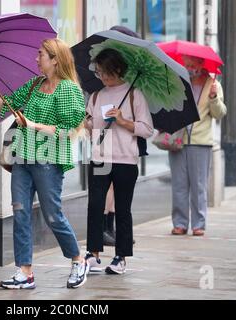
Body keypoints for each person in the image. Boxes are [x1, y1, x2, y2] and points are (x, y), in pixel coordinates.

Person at [0, 38, 88, 289]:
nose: (36, 59)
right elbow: (5, 108)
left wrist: (33, 125)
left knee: (53, 215)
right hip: (23, 158)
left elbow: (70, 129)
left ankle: (78, 260)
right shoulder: (35, 84)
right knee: (21, 212)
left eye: (40, 54)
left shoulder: (68, 89)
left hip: (49, 159)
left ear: (55, 60)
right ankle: (25, 271)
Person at [84, 47, 154, 274]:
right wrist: (86, 123)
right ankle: (93, 254)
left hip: (125, 160)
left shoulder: (135, 95)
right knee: (95, 206)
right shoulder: (95, 96)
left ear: (118, 69)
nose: (103, 77)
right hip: (100, 158)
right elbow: (90, 127)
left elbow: (147, 130)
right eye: (99, 72)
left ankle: (120, 257)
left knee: (123, 209)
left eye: (106, 72)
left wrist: (123, 121)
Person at [169, 55, 227, 237]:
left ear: (201, 64)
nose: (189, 68)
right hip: (178, 140)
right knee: (179, 185)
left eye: (192, 65)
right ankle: (179, 223)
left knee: (198, 185)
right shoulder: (178, 82)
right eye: (186, 64)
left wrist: (214, 98)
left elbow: (219, 114)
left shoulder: (213, 84)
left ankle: (198, 224)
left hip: (200, 142)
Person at [100, 26, 143, 247]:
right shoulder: (105, 65)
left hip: (125, 138)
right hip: (106, 136)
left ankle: (112, 227)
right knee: (108, 185)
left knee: (118, 187)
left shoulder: (131, 76)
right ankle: (105, 226)